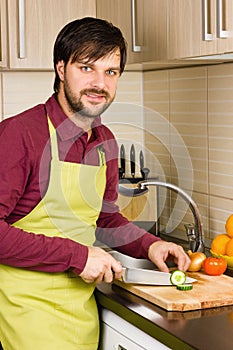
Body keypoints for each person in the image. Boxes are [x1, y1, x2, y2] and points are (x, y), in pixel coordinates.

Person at [0, 17, 190, 350]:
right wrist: (77, 256)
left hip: (80, 320)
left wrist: (149, 246)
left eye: (111, 72)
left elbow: (104, 219)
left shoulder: (105, 142)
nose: (99, 83)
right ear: (61, 69)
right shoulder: (20, 134)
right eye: (87, 68)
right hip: (20, 319)